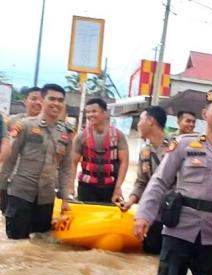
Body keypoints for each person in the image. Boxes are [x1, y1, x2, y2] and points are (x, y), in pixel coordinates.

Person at [134, 90, 212, 275]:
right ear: (205, 114)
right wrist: (144, 216)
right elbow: (159, 181)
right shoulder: (183, 144)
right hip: (178, 231)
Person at [2, 84, 72, 239]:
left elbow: (66, 168)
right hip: (20, 193)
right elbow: (9, 158)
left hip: (46, 198)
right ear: (42, 100)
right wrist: (1, 187)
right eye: (52, 99)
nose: (56, 103)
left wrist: (65, 198)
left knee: (40, 242)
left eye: (60, 100)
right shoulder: (24, 125)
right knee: (17, 243)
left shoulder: (65, 134)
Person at [120, 106, 170, 254]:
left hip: (173, 218)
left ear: (151, 121)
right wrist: (130, 201)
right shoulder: (145, 152)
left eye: (140, 120)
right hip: (152, 217)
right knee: (149, 257)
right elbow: (142, 182)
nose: (137, 124)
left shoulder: (175, 147)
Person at [70, 98, 129, 203]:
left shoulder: (118, 136)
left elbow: (124, 162)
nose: (90, 115)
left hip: (110, 187)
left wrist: (118, 188)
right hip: (86, 188)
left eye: (94, 111)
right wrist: (70, 186)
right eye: (88, 112)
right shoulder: (81, 137)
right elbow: (72, 162)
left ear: (104, 113)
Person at [1, 87, 43, 213]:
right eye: (33, 99)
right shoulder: (12, 121)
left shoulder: (49, 125)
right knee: (8, 214)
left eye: (41, 99)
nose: (37, 102)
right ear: (25, 101)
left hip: (33, 180)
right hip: (9, 176)